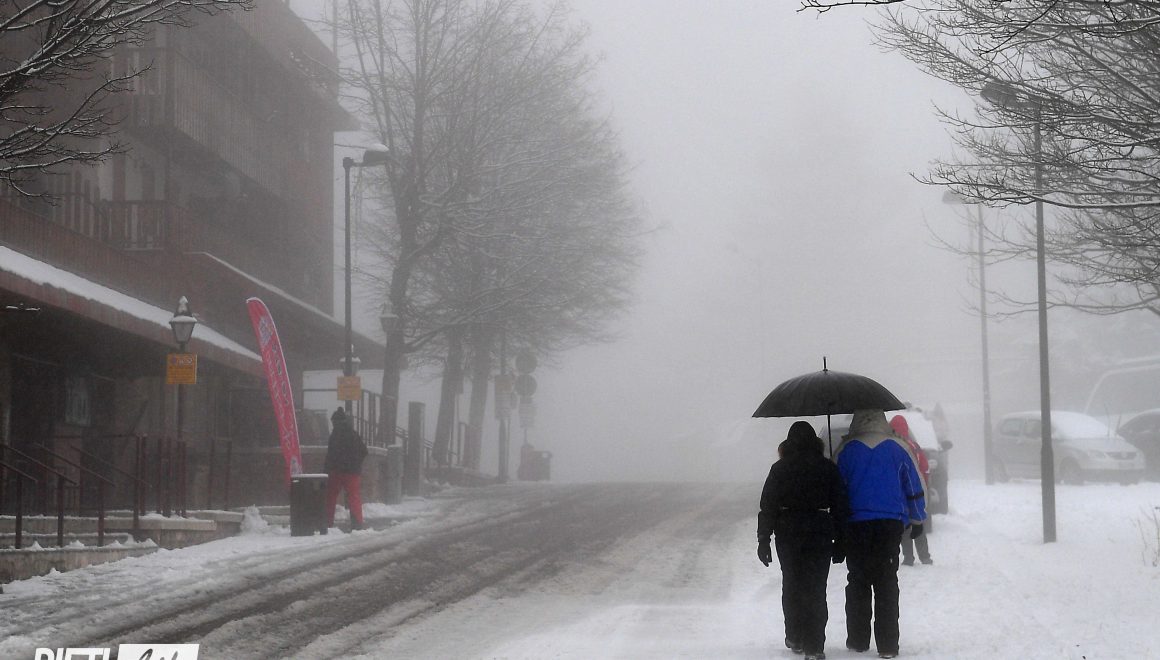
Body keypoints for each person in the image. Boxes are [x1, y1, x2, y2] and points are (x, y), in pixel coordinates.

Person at [833, 409, 927, 659]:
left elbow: (836, 489)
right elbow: (913, 485)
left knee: (858, 581)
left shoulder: (846, 450)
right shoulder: (898, 448)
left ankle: (858, 640)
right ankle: (887, 645)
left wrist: (836, 523)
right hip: (889, 524)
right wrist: (917, 518)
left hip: (856, 525)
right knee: (886, 583)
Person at [758, 421, 850, 660]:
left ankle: (795, 635)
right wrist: (841, 540)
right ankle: (815, 645)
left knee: (792, 585)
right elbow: (840, 505)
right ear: (815, 442)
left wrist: (764, 539)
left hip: (788, 532)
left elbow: (768, 506)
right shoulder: (828, 468)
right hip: (820, 531)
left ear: (789, 443)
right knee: (816, 588)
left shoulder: (780, 469)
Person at [889, 415, 933, 566]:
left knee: (905, 526)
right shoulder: (914, 446)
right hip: (917, 490)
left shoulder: (894, 447)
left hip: (900, 492)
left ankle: (908, 557)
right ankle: (925, 556)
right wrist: (924, 486)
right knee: (918, 521)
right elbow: (925, 468)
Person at [325, 407, 368, 530]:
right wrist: (356, 463)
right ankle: (357, 523)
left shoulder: (334, 436)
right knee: (354, 497)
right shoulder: (353, 434)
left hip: (336, 471)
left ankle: (327, 522)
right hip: (352, 472)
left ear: (335, 421)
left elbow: (330, 455)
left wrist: (326, 470)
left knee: (330, 497)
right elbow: (364, 451)